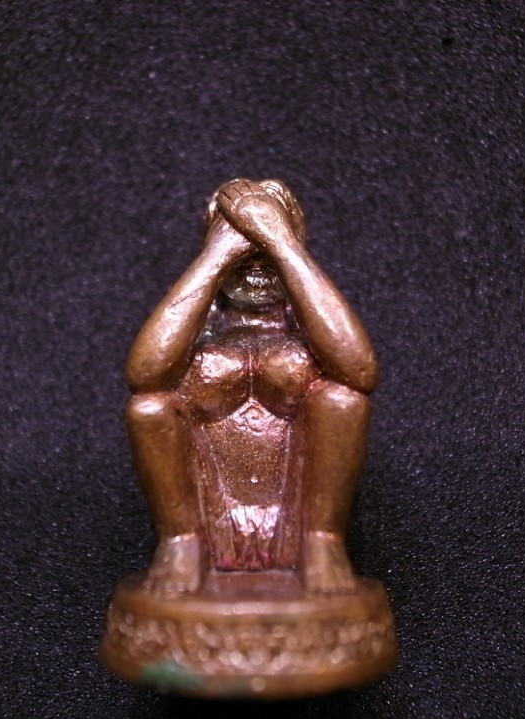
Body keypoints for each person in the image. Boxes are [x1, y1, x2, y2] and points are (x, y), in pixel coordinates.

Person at [125, 179, 378, 596]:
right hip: (207, 513)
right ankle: (180, 542)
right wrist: (219, 253)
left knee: (343, 398)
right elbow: (144, 374)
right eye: (244, 253)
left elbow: (360, 370)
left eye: (265, 254)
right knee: (149, 407)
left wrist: (279, 241)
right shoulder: (199, 328)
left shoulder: (306, 327)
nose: (255, 266)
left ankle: (323, 542)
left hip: (297, 517)